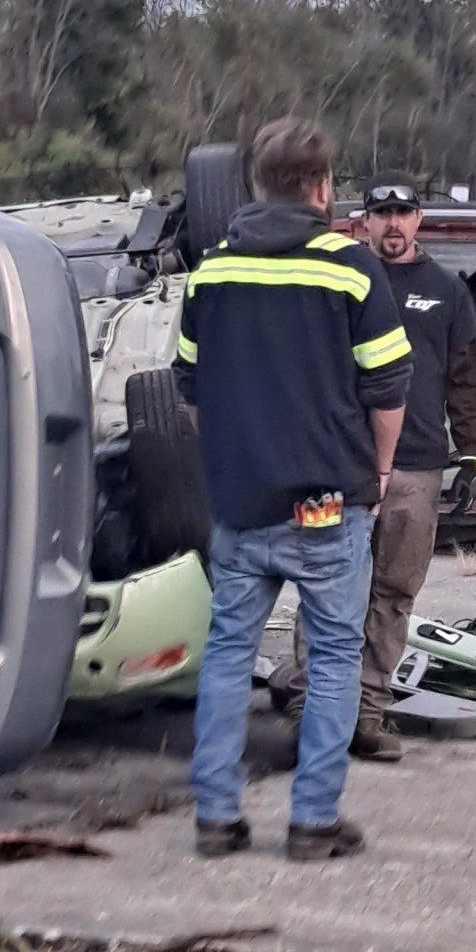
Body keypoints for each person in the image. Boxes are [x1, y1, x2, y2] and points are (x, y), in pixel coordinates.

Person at [174, 118, 412, 860]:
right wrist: (376, 474)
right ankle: (312, 822)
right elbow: (388, 386)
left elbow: (188, 384)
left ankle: (216, 818)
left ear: (257, 185)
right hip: (326, 504)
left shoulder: (211, 269)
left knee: (227, 652)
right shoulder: (350, 267)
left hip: (242, 502)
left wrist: (235, 453)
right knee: (337, 655)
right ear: (322, 187)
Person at [349, 181, 476, 761]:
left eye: (402, 212)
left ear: (419, 219)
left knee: (394, 593)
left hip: (417, 468)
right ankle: (311, 709)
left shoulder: (447, 291)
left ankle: (367, 713)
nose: (393, 223)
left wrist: (471, 453)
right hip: (347, 465)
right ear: (365, 221)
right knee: (330, 587)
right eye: (382, 213)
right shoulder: (348, 279)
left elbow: (465, 377)